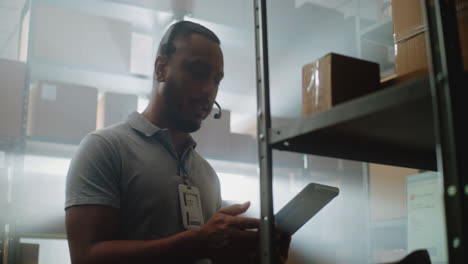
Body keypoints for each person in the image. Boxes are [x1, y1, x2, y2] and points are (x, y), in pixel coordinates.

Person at [65, 21, 290, 264]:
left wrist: (255, 253)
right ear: (161, 68)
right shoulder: (104, 148)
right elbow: (85, 257)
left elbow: (208, 253)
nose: (209, 90)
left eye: (216, 80)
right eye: (198, 72)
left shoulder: (207, 174)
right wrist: (196, 242)